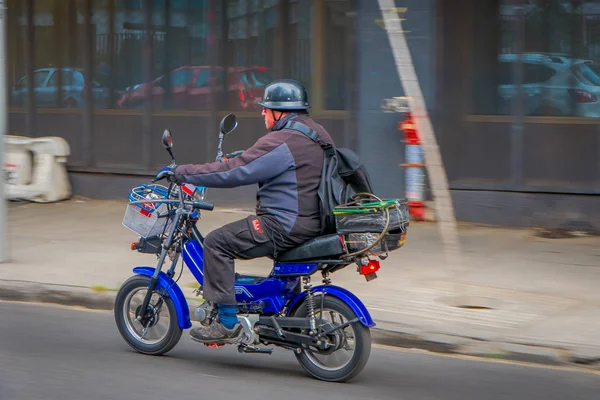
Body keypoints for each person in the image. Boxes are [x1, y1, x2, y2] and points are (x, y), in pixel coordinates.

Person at [171, 79, 335, 343]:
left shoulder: (282, 139)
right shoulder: (315, 133)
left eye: (266, 108)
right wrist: (244, 156)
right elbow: (272, 162)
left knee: (217, 242)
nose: (262, 113)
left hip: (283, 225)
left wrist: (182, 172)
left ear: (281, 112)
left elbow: (236, 171)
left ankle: (226, 323)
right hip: (313, 221)